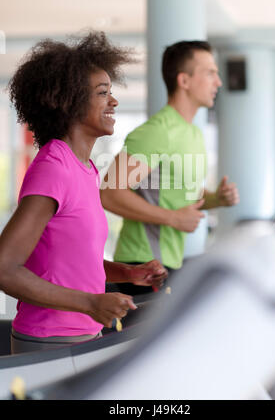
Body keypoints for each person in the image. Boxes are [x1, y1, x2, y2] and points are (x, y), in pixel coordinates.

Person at [0, 31, 167, 354]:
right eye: (103, 93)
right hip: (49, 341)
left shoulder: (84, 167)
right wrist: (91, 302)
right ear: (68, 101)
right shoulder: (54, 168)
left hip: (83, 335)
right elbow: (4, 268)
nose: (113, 102)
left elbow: (70, 260)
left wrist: (127, 273)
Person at [100, 40, 239, 295]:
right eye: (210, 73)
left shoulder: (194, 134)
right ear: (184, 80)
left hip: (171, 262)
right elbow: (109, 193)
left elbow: (178, 195)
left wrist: (215, 199)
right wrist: (174, 219)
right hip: (141, 264)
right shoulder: (157, 132)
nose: (218, 82)